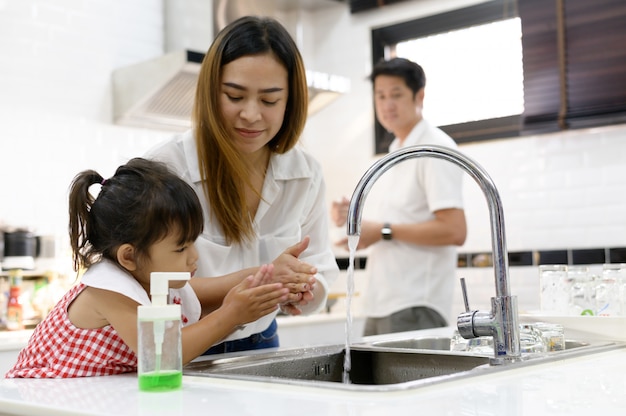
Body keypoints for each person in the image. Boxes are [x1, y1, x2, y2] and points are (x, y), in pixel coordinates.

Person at [145, 16, 339, 353]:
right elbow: (153, 285)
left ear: (290, 102)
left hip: (263, 341)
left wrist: (303, 292)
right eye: (235, 96)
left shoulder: (305, 174)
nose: (250, 114)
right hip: (185, 347)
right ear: (210, 91)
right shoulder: (168, 168)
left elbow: (321, 270)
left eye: (269, 101)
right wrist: (265, 278)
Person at [5, 158, 289, 378]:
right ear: (129, 256)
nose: (194, 257)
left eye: (193, 243)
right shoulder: (108, 291)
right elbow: (161, 357)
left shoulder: (153, 281)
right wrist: (231, 314)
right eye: (181, 248)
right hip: (45, 398)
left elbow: (212, 290)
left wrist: (270, 275)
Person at [331, 57, 467, 336]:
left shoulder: (434, 147)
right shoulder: (396, 150)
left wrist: (381, 231)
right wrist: (356, 221)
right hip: (382, 301)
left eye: (396, 95)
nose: (386, 104)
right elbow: (396, 224)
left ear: (420, 96)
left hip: (415, 303)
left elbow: (454, 230)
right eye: (380, 96)